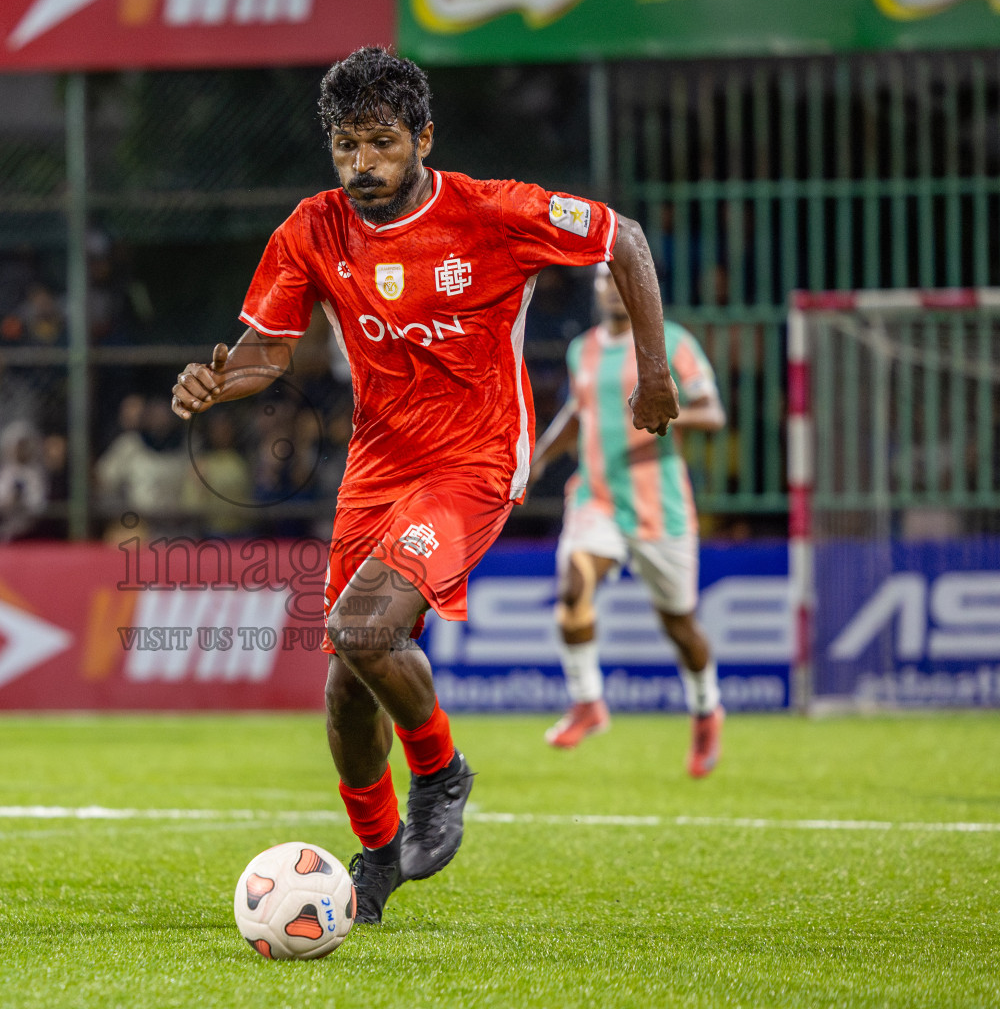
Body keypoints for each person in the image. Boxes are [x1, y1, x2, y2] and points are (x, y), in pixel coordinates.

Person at [171, 47, 679, 924]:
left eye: (381, 143)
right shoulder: (314, 227)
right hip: (378, 464)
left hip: (477, 456)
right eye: (346, 146)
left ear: (423, 139)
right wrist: (219, 379)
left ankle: (440, 773)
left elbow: (621, 237)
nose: (362, 164)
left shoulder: (492, 211)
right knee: (344, 679)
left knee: (361, 628)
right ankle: (373, 862)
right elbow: (269, 349)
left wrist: (654, 372)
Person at [527, 263, 728, 777]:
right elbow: (578, 412)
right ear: (595, 290)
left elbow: (713, 413)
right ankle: (588, 702)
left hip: (661, 507)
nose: (614, 289)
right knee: (574, 588)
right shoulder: (584, 349)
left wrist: (664, 410)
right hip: (596, 497)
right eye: (604, 281)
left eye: (622, 281)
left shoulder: (671, 343)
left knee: (680, 626)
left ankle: (706, 710)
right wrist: (539, 460)